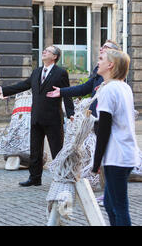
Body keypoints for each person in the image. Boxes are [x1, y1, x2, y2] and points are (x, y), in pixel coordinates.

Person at [0, 45, 74, 187]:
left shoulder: (61, 73)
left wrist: (71, 113)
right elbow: (23, 85)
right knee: (35, 150)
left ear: (54, 57)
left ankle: (61, 178)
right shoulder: (37, 72)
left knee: (57, 150)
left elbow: (66, 92)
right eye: (44, 50)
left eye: (48, 51)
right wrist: (3, 90)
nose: (44, 52)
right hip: (36, 116)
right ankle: (35, 178)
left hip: (53, 117)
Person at [91, 49, 140, 226]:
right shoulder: (123, 87)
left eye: (101, 59)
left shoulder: (108, 89)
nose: (98, 62)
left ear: (110, 65)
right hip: (125, 153)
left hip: (117, 155)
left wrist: (96, 163)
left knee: (119, 207)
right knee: (111, 205)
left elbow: (103, 129)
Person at [46, 40, 120, 130]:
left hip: (104, 123)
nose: (101, 49)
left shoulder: (114, 85)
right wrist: (61, 91)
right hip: (95, 120)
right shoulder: (99, 72)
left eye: (105, 47)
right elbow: (84, 88)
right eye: (102, 47)